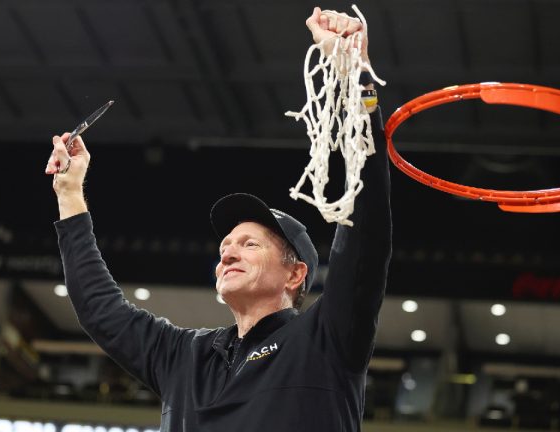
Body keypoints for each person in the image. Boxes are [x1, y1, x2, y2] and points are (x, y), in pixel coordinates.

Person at [45, 7, 391, 432]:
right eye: (226, 245)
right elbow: (99, 309)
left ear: (295, 273)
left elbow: (366, 235)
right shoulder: (184, 355)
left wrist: (356, 77)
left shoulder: (326, 339)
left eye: (250, 244)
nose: (228, 251)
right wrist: (68, 193)